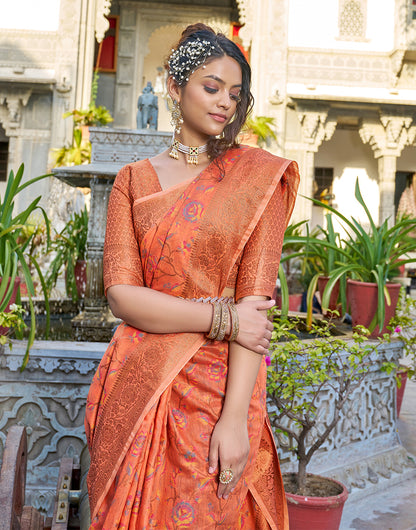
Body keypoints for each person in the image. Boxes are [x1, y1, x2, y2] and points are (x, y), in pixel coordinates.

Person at [85, 23, 299, 529]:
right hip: (139, 380)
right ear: (175, 87)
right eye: (211, 87)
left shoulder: (257, 179)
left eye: (235, 93)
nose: (225, 102)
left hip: (219, 389)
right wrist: (223, 318)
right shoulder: (132, 180)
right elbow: (121, 295)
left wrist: (233, 421)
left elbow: (256, 311)